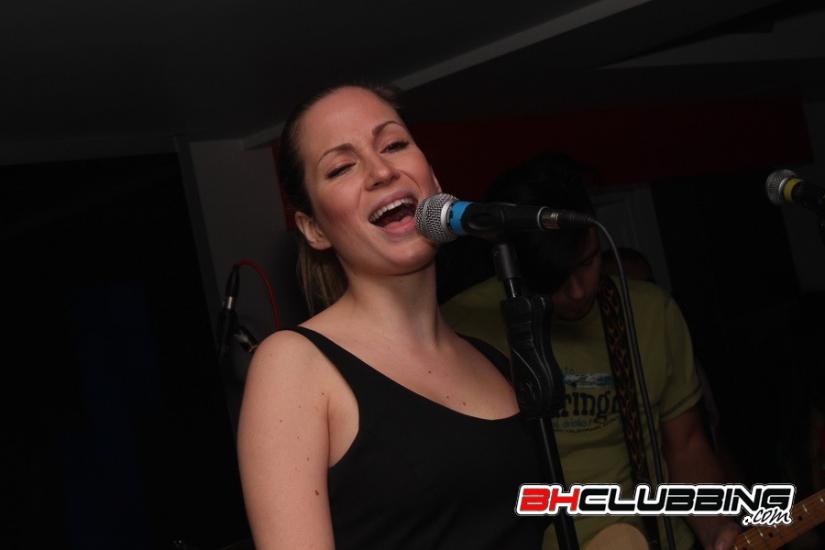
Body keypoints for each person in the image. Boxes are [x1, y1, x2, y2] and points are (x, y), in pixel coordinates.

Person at [236, 85, 548, 549]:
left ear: (434, 182)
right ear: (314, 228)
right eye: (341, 167)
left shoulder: (493, 359)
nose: (382, 171)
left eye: (394, 144)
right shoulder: (293, 365)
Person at [441, 153, 740, 550]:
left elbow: (686, 445)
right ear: (510, 264)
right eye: (555, 277)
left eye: (587, 262)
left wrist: (718, 528)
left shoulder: (650, 313)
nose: (579, 290)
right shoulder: (462, 327)